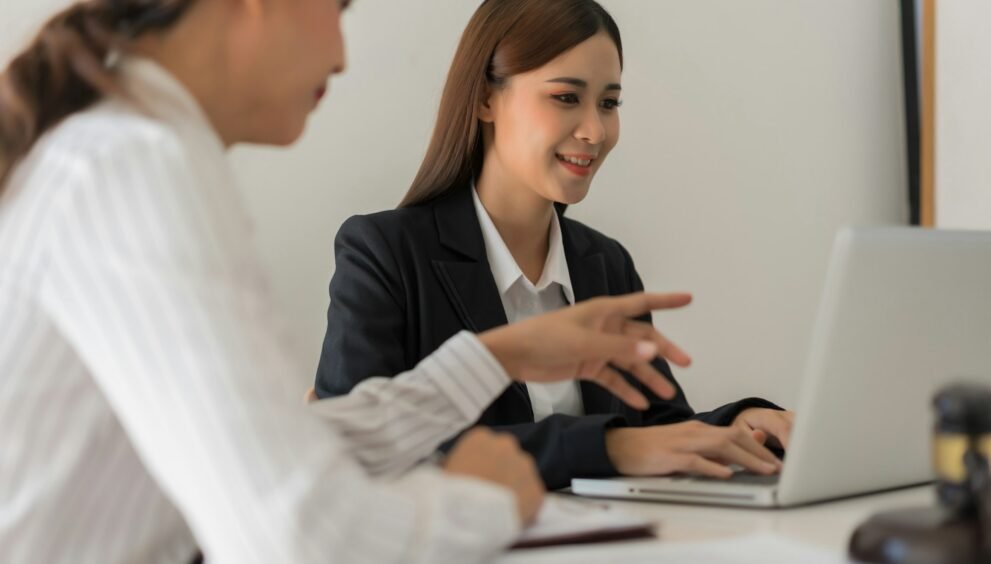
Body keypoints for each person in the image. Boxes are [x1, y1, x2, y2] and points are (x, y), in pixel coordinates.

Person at [0, 0, 695, 562]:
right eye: (339, 6)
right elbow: (296, 535)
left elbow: (298, 446)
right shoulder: (133, 169)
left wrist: (497, 357)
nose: (341, 54)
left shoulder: (133, 155)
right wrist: (482, 502)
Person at [315, 0, 794, 491]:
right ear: (485, 99)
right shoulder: (384, 253)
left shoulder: (604, 263)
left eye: (609, 103)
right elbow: (351, 452)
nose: (595, 131)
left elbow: (656, 433)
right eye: (567, 97)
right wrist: (603, 448)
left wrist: (738, 423)